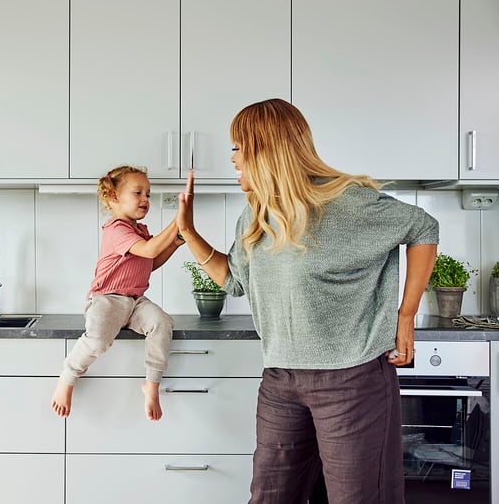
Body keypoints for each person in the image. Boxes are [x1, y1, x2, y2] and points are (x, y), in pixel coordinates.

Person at [175, 98, 439, 503]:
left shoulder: (347, 203)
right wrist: (189, 234)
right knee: (271, 496)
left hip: (351, 380)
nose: (233, 158)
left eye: (239, 147)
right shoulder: (256, 214)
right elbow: (236, 283)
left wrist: (406, 317)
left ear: (267, 149)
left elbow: (423, 227)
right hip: (281, 379)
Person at [51, 165, 184, 421]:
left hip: (135, 301)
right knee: (97, 341)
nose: (145, 199)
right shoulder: (116, 229)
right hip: (107, 299)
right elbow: (149, 250)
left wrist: (174, 244)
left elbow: (151, 261)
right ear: (114, 196)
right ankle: (67, 377)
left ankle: (151, 383)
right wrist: (178, 220)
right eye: (138, 193)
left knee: (162, 323)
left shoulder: (139, 231)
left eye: (148, 194)